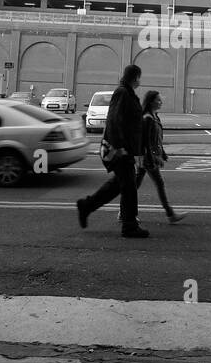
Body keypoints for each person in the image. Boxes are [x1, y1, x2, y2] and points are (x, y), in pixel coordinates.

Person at [76, 64, 148, 238]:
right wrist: (120, 146)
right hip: (120, 150)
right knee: (129, 187)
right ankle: (129, 226)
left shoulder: (128, 93)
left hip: (126, 149)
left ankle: (87, 206)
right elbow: (114, 120)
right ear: (135, 77)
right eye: (139, 77)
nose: (140, 80)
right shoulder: (122, 93)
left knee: (118, 185)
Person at [121, 90, 186, 225]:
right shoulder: (148, 119)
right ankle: (170, 214)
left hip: (150, 157)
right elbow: (146, 143)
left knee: (135, 184)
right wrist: (154, 158)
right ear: (151, 102)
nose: (160, 102)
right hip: (148, 158)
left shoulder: (155, 116)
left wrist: (162, 153)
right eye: (158, 100)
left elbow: (156, 140)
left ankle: (123, 212)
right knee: (158, 183)